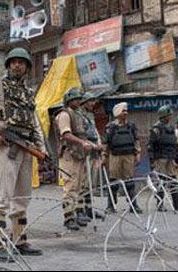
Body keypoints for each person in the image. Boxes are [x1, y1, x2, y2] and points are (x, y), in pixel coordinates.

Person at [0, 47, 46, 262]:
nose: (16, 65)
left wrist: (41, 149)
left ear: (27, 67)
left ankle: (19, 241)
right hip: (7, 146)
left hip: (26, 147)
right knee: (2, 196)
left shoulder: (29, 93)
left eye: (21, 62)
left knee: (22, 197)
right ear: (8, 65)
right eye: (13, 62)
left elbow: (34, 123)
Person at [55, 88, 95, 231]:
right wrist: (82, 143)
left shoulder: (78, 115)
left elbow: (84, 135)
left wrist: (90, 144)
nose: (78, 101)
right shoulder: (64, 115)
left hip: (79, 154)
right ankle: (68, 217)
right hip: (68, 155)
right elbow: (66, 135)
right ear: (69, 100)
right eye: (75, 99)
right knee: (70, 186)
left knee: (79, 186)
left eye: (79, 99)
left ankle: (77, 214)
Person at [101, 102, 142, 214]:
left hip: (129, 156)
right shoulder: (111, 127)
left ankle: (133, 205)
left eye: (126, 110)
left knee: (130, 182)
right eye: (123, 111)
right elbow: (106, 143)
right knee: (113, 182)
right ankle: (111, 206)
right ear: (118, 112)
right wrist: (104, 156)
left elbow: (136, 141)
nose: (126, 113)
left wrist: (138, 154)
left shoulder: (131, 126)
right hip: (115, 157)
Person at [147, 105, 178, 212]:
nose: (170, 117)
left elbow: (176, 146)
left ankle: (177, 204)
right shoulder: (156, 129)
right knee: (161, 182)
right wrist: (152, 161)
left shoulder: (173, 129)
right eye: (168, 115)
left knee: (174, 181)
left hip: (171, 158)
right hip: (160, 158)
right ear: (163, 116)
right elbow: (150, 146)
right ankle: (160, 204)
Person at [78, 92, 105, 220]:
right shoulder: (79, 116)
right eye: (90, 101)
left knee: (91, 184)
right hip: (85, 152)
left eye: (94, 101)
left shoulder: (91, 116)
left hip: (95, 153)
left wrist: (99, 143)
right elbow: (82, 136)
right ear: (84, 102)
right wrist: (94, 146)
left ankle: (89, 208)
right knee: (83, 184)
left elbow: (95, 132)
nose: (93, 103)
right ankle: (80, 209)